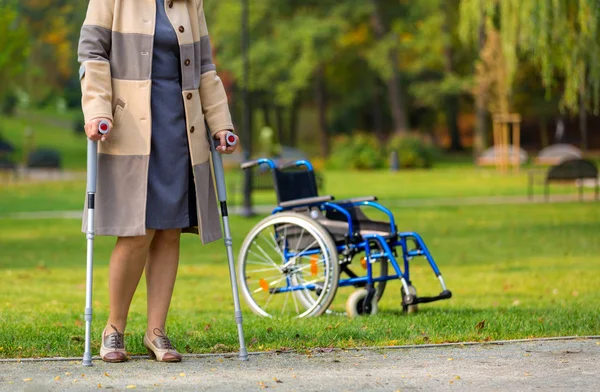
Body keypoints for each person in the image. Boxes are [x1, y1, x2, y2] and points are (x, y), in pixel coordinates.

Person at [78, 0, 236, 363]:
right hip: (132, 129)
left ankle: (156, 332)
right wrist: (98, 109)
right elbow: (91, 55)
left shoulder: (189, 3)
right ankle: (114, 329)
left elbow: (205, 68)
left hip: (180, 128)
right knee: (136, 232)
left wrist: (221, 123)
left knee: (169, 229)